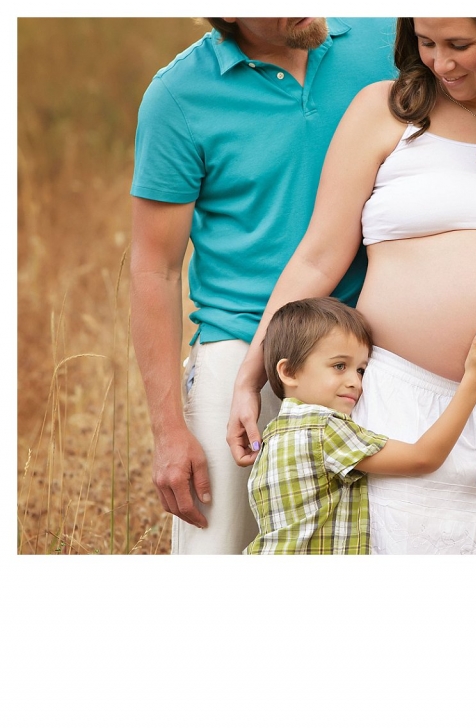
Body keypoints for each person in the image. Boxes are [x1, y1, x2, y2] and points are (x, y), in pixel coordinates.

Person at [227, 17, 476, 554]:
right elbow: (317, 258)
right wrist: (251, 373)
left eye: (459, 45)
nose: (441, 63)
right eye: (426, 44)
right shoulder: (384, 110)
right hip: (403, 397)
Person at [129, 17, 395, 554]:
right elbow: (154, 269)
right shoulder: (179, 95)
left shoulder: (387, 39)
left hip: (378, 339)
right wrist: (168, 432)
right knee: (220, 545)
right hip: (243, 337)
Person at [245, 297, 476, 554]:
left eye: (361, 370)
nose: (355, 382)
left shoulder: (274, 433)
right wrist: (474, 379)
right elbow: (423, 458)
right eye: (339, 366)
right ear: (289, 372)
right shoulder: (324, 429)